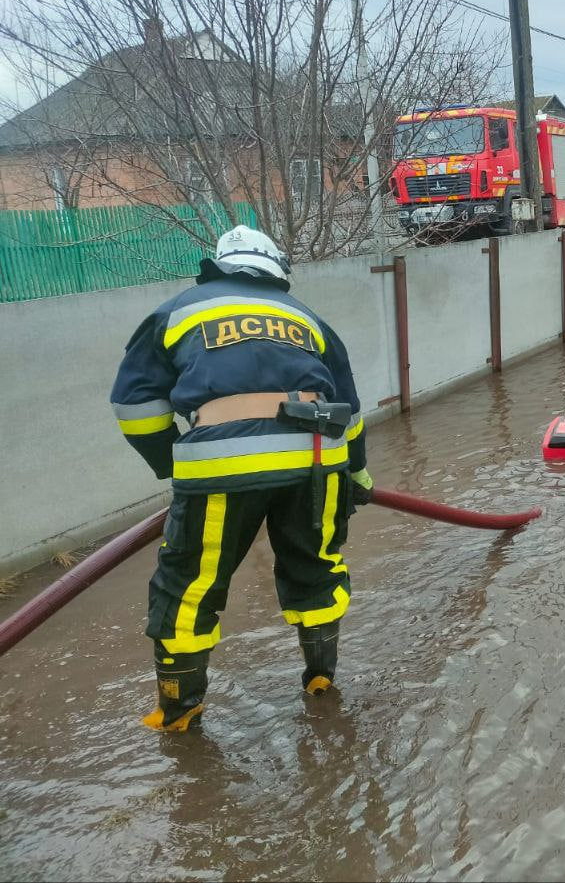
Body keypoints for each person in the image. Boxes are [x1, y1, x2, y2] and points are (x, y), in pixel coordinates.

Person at [110, 225, 373, 732]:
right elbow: (351, 411)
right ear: (277, 271)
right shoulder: (308, 318)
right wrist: (357, 474)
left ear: (219, 266)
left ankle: (179, 712)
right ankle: (321, 680)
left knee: (191, 585)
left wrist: (174, 464)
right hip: (318, 460)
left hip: (223, 466)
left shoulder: (178, 310)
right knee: (316, 565)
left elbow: (134, 406)